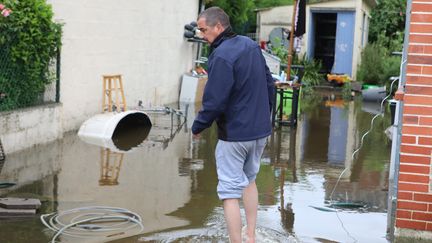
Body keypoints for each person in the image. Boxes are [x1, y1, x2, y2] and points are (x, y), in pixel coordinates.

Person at [191, 7, 274, 243]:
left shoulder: (221, 56)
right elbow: (269, 84)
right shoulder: (251, 46)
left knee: (229, 192)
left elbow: (215, 100)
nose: (202, 35)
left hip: (235, 136)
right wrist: (265, 119)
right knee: (249, 180)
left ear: (219, 27)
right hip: (259, 132)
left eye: (204, 30)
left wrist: (198, 126)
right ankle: (250, 236)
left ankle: (236, 241)